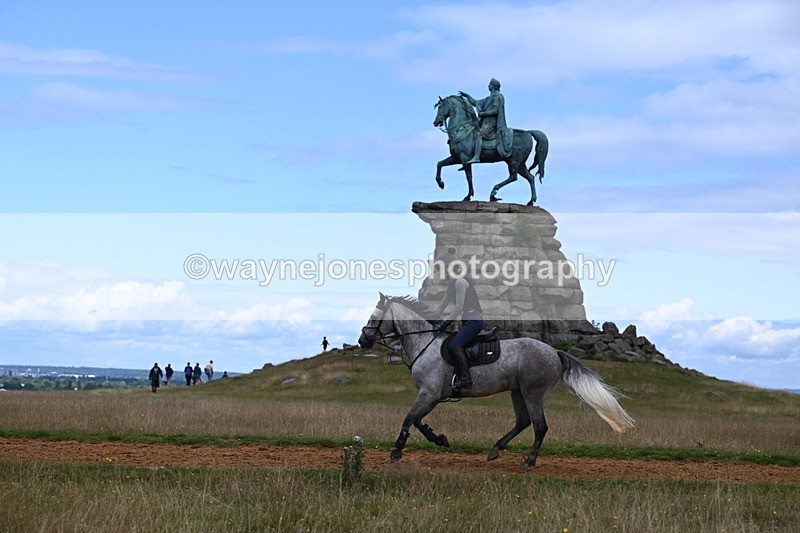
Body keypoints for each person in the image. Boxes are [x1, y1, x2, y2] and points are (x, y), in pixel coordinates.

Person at [432, 248, 484, 389]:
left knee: (455, 345)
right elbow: (440, 308)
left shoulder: (460, 282)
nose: (440, 272)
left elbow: (459, 307)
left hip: (474, 320)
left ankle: (466, 379)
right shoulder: (451, 285)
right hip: (467, 320)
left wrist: (446, 323)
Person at [459, 78, 513, 163]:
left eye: (490, 84)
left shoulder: (497, 96)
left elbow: (495, 111)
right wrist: (467, 96)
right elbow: (475, 102)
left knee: (479, 134)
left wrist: (483, 114)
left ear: (493, 86)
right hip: (485, 123)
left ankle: (477, 157)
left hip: (492, 123)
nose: (488, 86)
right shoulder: (489, 98)